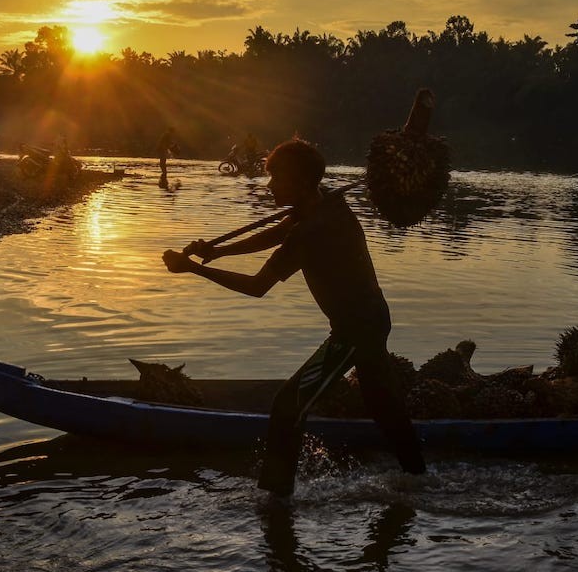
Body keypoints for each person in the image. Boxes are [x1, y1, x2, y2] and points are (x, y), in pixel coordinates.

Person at [162, 138, 425, 496]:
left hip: (355, 331)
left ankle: (276, 497)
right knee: (385, 409)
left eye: (277, 179)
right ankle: (419, 480)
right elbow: (280, 230)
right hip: (373, 318)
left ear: (301, 184)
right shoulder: (327, 203)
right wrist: (217, 252)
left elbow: (257, 286)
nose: (269, 186)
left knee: (287, 405)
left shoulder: (312, 232)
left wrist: (193, 269)